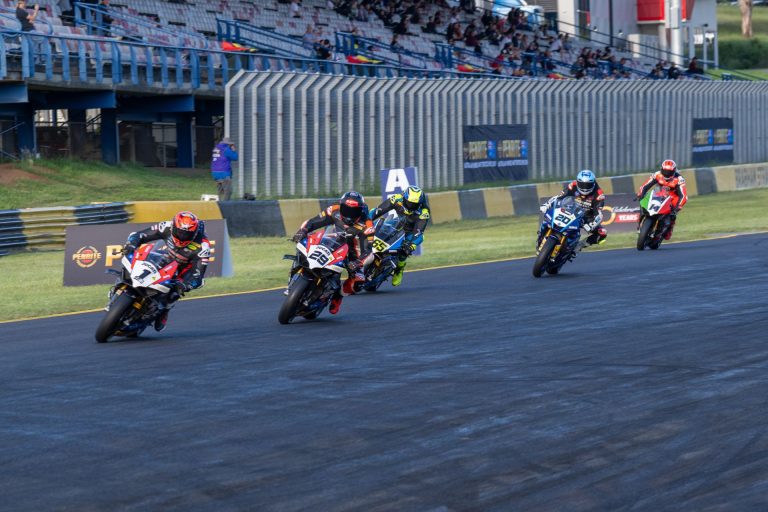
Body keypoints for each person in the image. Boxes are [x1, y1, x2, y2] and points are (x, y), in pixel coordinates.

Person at [122, 211, 209, 331]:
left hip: (182, 268)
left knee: (174, 292)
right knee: (132, 261)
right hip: (162, 256)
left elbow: (198, 275)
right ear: (174, 226)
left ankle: (164, 310)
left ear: (194, 233)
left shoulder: (202, 246)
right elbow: (140, 235)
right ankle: (120, 284)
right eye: (179, 232)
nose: (182, 236)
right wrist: (131, 244)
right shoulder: (166, 226)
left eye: (186, 234)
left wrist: (187, 284)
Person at [291, 191, 374, 314]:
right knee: (302, 246)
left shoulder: (367, 225)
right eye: (346, 209)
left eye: (354, 211)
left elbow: (368, 251)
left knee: (358, 282)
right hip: (329, 240)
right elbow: (313, 222)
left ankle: (337, 297)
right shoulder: (334, 209)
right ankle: (293, 275)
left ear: (361, 211)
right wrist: (302, 230)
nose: (349, 214)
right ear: (341, 206)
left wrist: (358, 262)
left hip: (352, 253)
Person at [368, 186, 430, 286]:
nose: (410, 205)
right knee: (374, 230)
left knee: (407, 247)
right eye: (409, 202)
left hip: (410, 230)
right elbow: (378, 210)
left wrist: (411, 245)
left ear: (420, 203)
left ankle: (399, 269)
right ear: (404, 198)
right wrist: (367, 220)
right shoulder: (396, 199)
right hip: (396, 223)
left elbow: (419, 232)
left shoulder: (424, 212)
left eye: (414, 204)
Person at [541, 170, 607, 248]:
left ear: (593, 183)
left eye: (588, 185)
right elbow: (559, 197)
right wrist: (547, 204)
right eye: (582, 184)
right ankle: (541, 234)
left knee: (602, 233)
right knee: (548, 215)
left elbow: (598, 213)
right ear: (578, 181)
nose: (585, 188)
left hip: (586, 216)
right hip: (568, 208)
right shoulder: (573, 185)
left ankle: (579, 246)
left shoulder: (599, 194)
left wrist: (592, 225)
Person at [635, 159, 688, 240]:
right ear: (661, 169)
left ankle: (669, 229)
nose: (667, 173)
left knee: (672, 214)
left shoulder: (679, 179)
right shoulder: (657, 175)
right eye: (665, 171)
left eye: (669, 172)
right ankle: (640, 223)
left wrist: (678, 206)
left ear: (674, 171)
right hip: (659, 192)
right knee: (644, 200)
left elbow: (683, 195)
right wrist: (640, 194)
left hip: (673, 196)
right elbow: (645, 186)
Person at [211, 137, 237, 201]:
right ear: (228, 144)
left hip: (214, 172)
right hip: (223, 172)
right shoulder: (226, 150)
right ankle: (226, 205)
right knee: (228, 191)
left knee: (220, 190)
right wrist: (233, 150)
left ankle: (218, 204)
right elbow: (235, 158)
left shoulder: (216, 148)